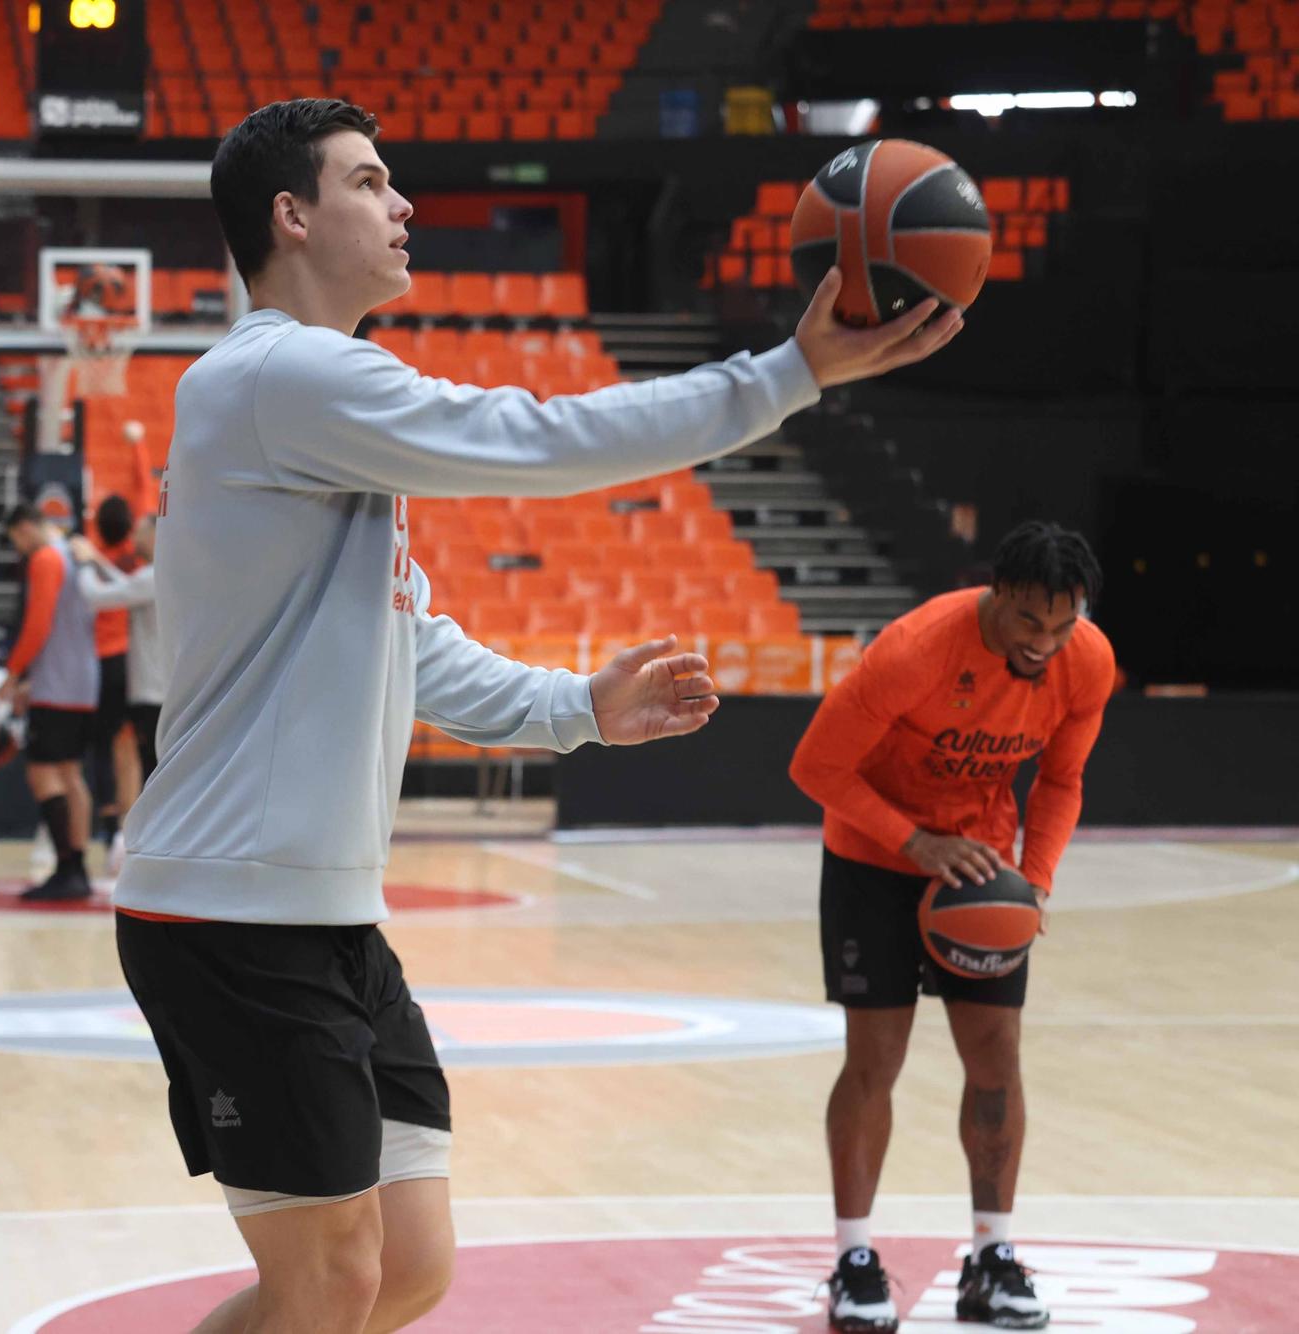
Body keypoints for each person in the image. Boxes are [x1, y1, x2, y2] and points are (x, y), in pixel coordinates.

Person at [111, 97, 963, 1334]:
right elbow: (536, 437)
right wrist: (783, 375)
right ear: (290, 217)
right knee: (331, 1276)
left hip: (325, 908)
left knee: (403, 1266)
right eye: (370, 181)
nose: (402, 205)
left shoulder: (315, 406)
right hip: (228, 905)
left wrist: (572, 706)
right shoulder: (276, 373)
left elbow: (410, 641)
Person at [789, 521, 1114, 1332]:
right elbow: (815, 768)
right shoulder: (918, 649)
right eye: (1030, 623)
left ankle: (992, 1257)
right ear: (998, 597)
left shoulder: (1087, 660)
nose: (1046, 642)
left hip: (979, 871)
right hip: (874, 860)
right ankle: (853, 1262)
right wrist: (914, 841)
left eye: (1063, 623)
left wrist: (1033, 882)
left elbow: (1062, 783)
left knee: (997, 1057)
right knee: (875, 1059)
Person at [0, 503, 100, 901]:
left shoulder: (45, 557)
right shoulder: (75, 554)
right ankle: (77, 867)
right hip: (82, 681)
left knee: (42, 773)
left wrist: (13, 674)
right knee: (71, 775)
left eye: (17, 541)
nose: (20, 549)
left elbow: (38, 624)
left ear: (26, 528)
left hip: (56, 684)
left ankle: (67, 866)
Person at [69, 513, 162, 782]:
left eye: (139, 532)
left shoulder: (153, 576)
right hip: (155, 689)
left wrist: (85, 564)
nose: (133, 538)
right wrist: (96, 559)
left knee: (153, 769)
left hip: (152, 692)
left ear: (155, 535)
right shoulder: (155, 576)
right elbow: (126, 586)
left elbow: (96, 597)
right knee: (152, 767)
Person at [84, 494, 145, 874]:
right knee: (130, 753)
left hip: (104, 662)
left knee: (104, 750)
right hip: (132, 665)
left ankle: (113, 835)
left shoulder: (93, 559)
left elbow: (92, 597)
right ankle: (129, 833)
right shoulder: (135, 561)